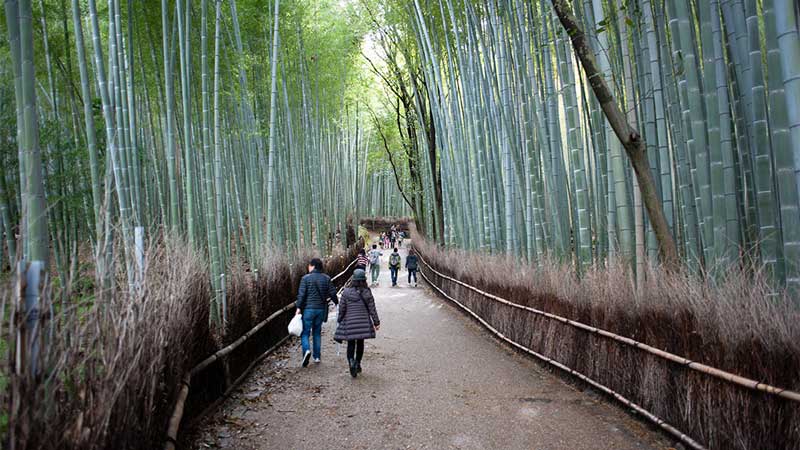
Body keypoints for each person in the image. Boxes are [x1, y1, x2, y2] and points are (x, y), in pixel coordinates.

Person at [334, 269, 380, 378]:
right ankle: (358, 363)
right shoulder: (367, 292)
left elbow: (342, 309)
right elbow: (372, 309)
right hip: (363, 322)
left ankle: (351, 362)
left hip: (350, 322)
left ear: (353, 280)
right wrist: (376, 322)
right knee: (360, 343)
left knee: (350, 343)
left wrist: (340, 320)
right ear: (364, 280)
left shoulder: (346, 292)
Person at [295, 258, 339, 367]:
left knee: (305, 332)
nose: (308, 267)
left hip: (308, 309)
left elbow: (301, 295)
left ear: (313, 266)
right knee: (317, 332)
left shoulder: (305, 278)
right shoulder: (326, 278)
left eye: (309, 265)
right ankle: (317, 356)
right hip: (320, 309)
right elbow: (333, 293)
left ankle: (306, 351)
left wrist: (298, 308)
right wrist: (337, 303)